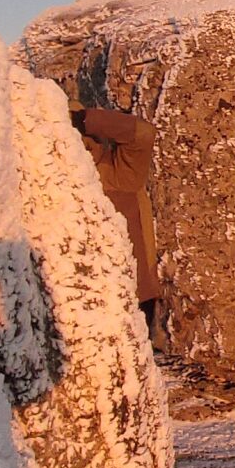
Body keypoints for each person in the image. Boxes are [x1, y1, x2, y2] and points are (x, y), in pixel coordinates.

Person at [71, 107, 163, 335]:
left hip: (132, 294)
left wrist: (85, 119)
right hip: (81, 299)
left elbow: (143, 134)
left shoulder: (117, 172)